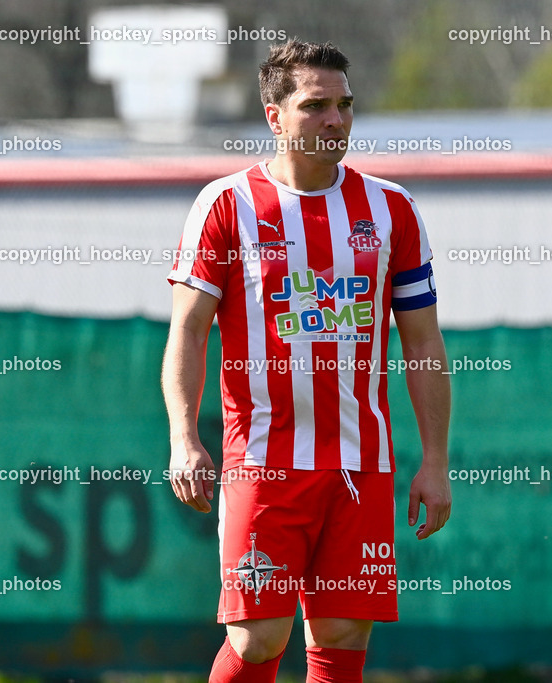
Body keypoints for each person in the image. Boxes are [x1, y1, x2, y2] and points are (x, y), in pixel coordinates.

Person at [162, 40, 451, 682]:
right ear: (275, 117)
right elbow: (188, 332)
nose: (336, 120)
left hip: (360, 463)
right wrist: (185, 439)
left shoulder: (392, 209)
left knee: (344, 632)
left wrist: (434, 462)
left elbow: (424, 344)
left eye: (345, 105)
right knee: (259, 636)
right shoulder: (226, 205)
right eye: (316, 105)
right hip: (263, 460)